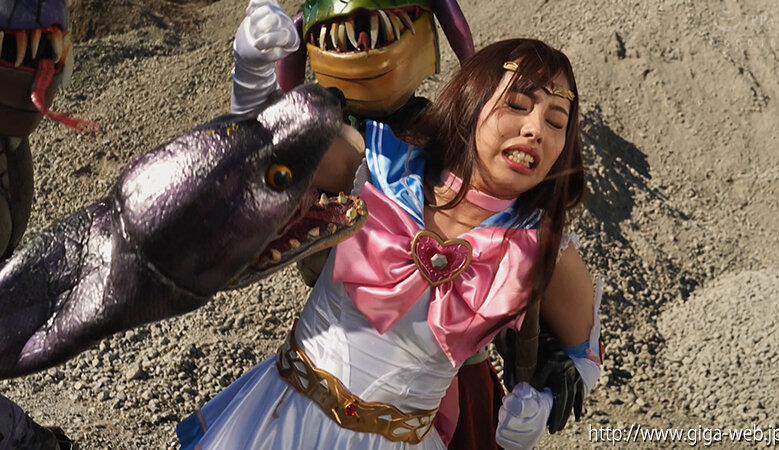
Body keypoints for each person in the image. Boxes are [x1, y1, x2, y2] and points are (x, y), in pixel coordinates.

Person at [176, 24, 602, 447]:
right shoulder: (379, 170)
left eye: (556, 121)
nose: (535, 129)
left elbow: (584, 356)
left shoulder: (543, 249)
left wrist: (544, 401)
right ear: (472, 102)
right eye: (517, 104)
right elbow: (271, 148)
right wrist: (252, 75)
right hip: (283, 422)